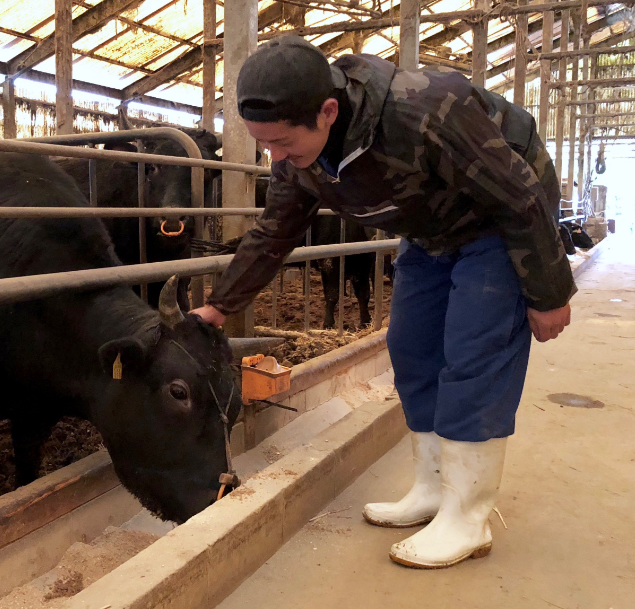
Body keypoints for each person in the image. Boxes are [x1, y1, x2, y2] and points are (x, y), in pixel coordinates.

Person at [190, 36, 575, 569]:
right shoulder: (300, 158)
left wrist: (549, 292)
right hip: (427, 229)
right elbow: (273, 233)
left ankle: (468, 516)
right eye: (265, 145)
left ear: (327, 111)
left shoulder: (425, 110)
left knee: (473, 352)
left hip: (497, 223)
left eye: (281, 142)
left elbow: (520, 197)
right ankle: (432, 489)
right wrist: (214, 309)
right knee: (412, 346)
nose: (274, 157)